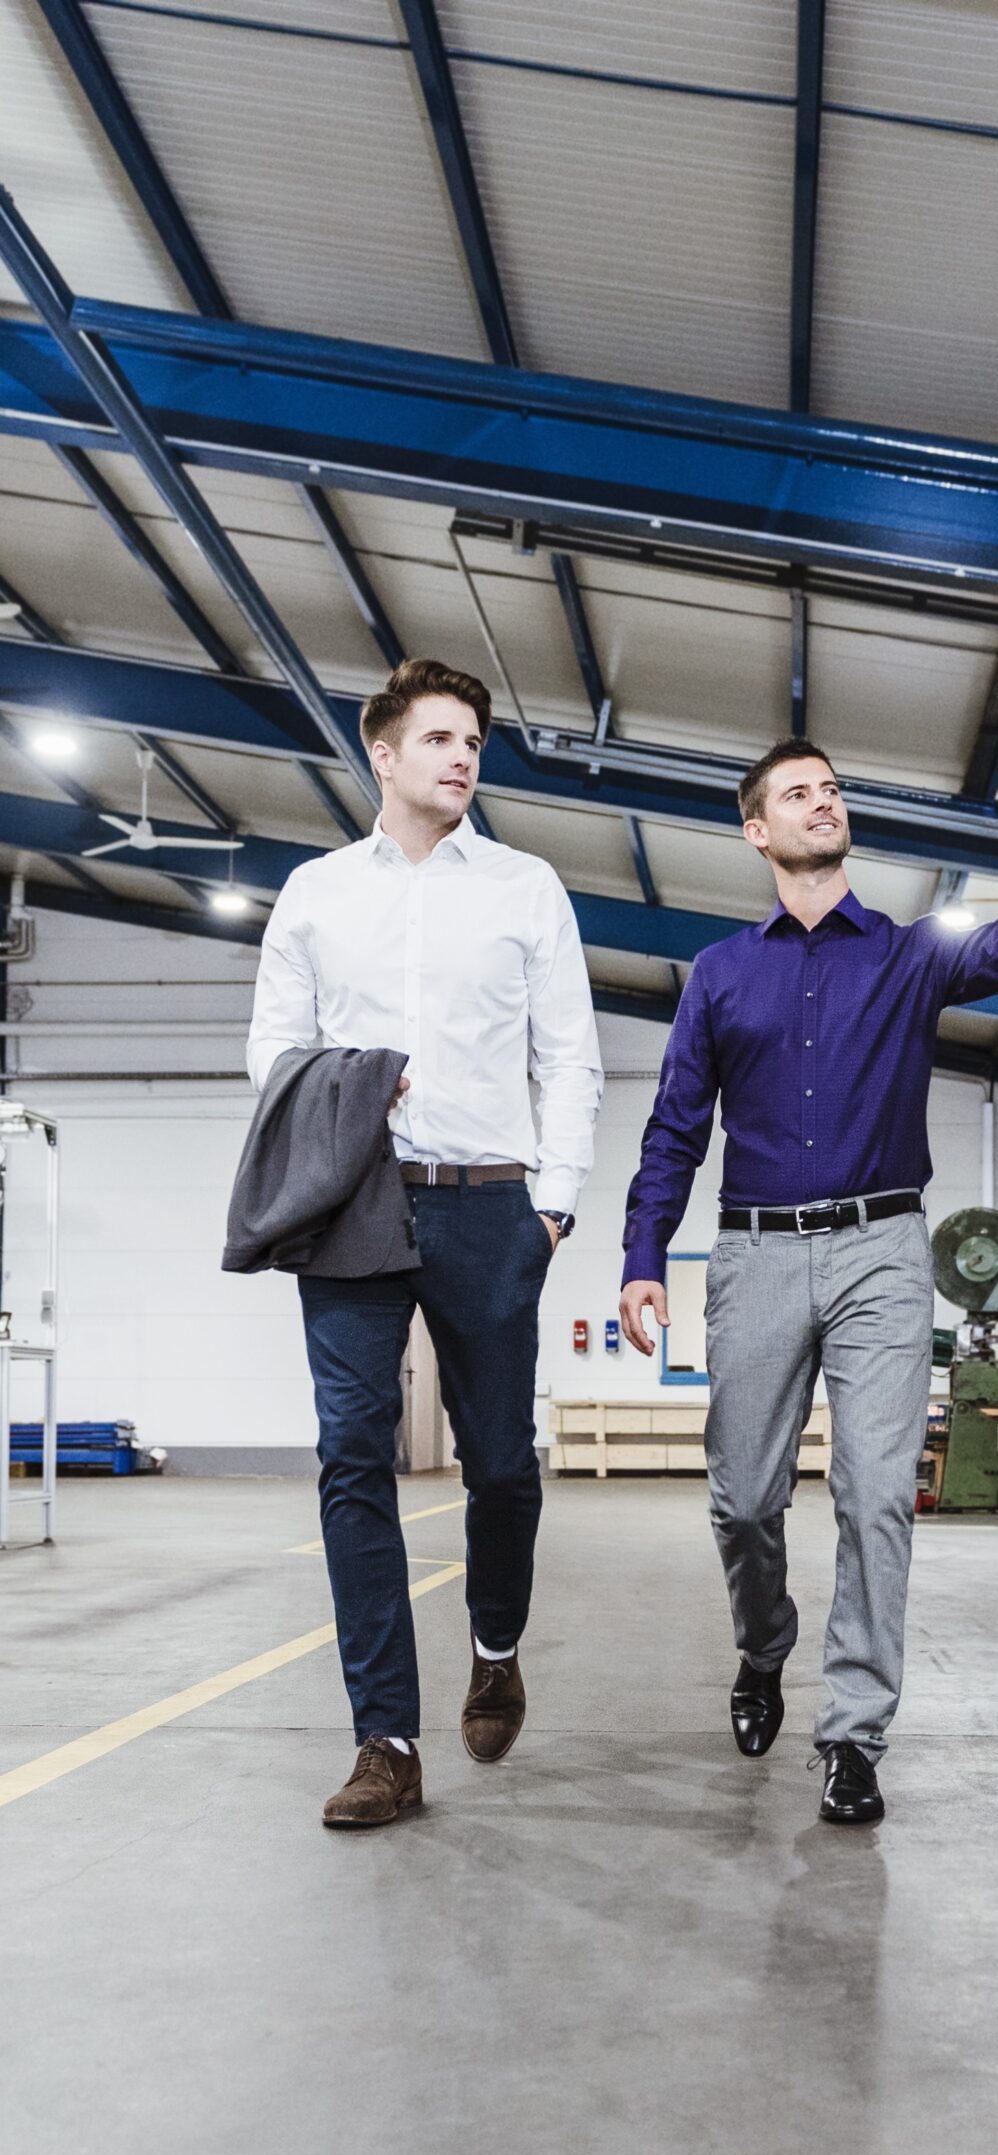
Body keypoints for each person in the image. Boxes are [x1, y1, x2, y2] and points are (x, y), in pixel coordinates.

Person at [619, 715, 998, 1825]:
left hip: (881, 1251)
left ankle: (851, 1733)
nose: (822, 801)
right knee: (743, 1500)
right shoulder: (717, 974)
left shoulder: (907, 951)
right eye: (797, 793)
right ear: (755, 830)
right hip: (750, 1253)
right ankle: (762, 1650)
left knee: (876, 1493)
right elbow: (672, 1128)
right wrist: (643, 1253)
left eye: (831, 788)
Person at [247, 656, 603, 1828]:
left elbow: (570, 1054)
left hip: (489, 1204)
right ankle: (385, 1740)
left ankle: (494, 1641)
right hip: (355, 1201)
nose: (463, 757)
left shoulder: (524, 886)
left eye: (473, 741)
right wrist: (344, 1110)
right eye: (440, 738)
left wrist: (550, 1205)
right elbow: (274, 1059)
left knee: (499, 1459)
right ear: (382, 754)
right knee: (353, 1456)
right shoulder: (313, 894)